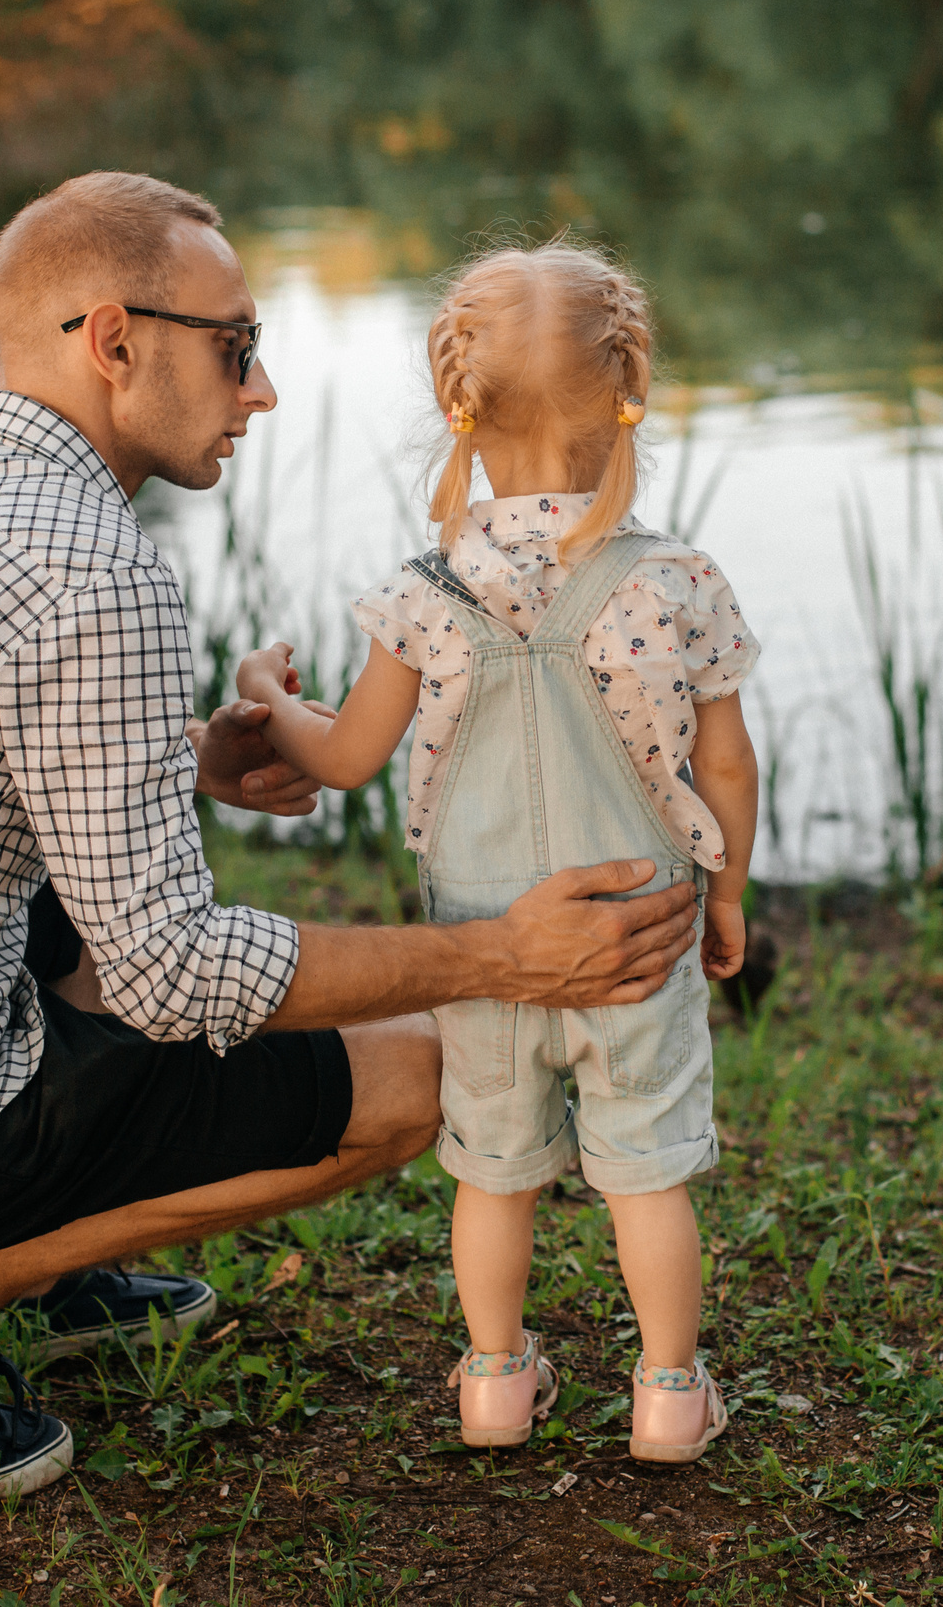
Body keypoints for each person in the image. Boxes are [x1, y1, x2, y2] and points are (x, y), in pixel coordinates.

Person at [0, 176, 701, 1500]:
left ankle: (48, 1250)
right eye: (235, 348)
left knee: (112, 919)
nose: (262, 391)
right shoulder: (97, 565)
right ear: (113, 340)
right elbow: (176, 975)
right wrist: (500, 953)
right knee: (432, 1067)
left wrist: (184, 756)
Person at [231, 240, 761, 1465]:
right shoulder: (677, 581)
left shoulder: (423, 593)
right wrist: (727, 889)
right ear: (629, 389)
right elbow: (727, 764)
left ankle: (493, 1382)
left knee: (493, 1167)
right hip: (638, 922)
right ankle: (669, 1395)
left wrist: (267, 694)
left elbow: (345, 755)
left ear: (456, 401)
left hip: (483, 936)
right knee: (647, 1172)